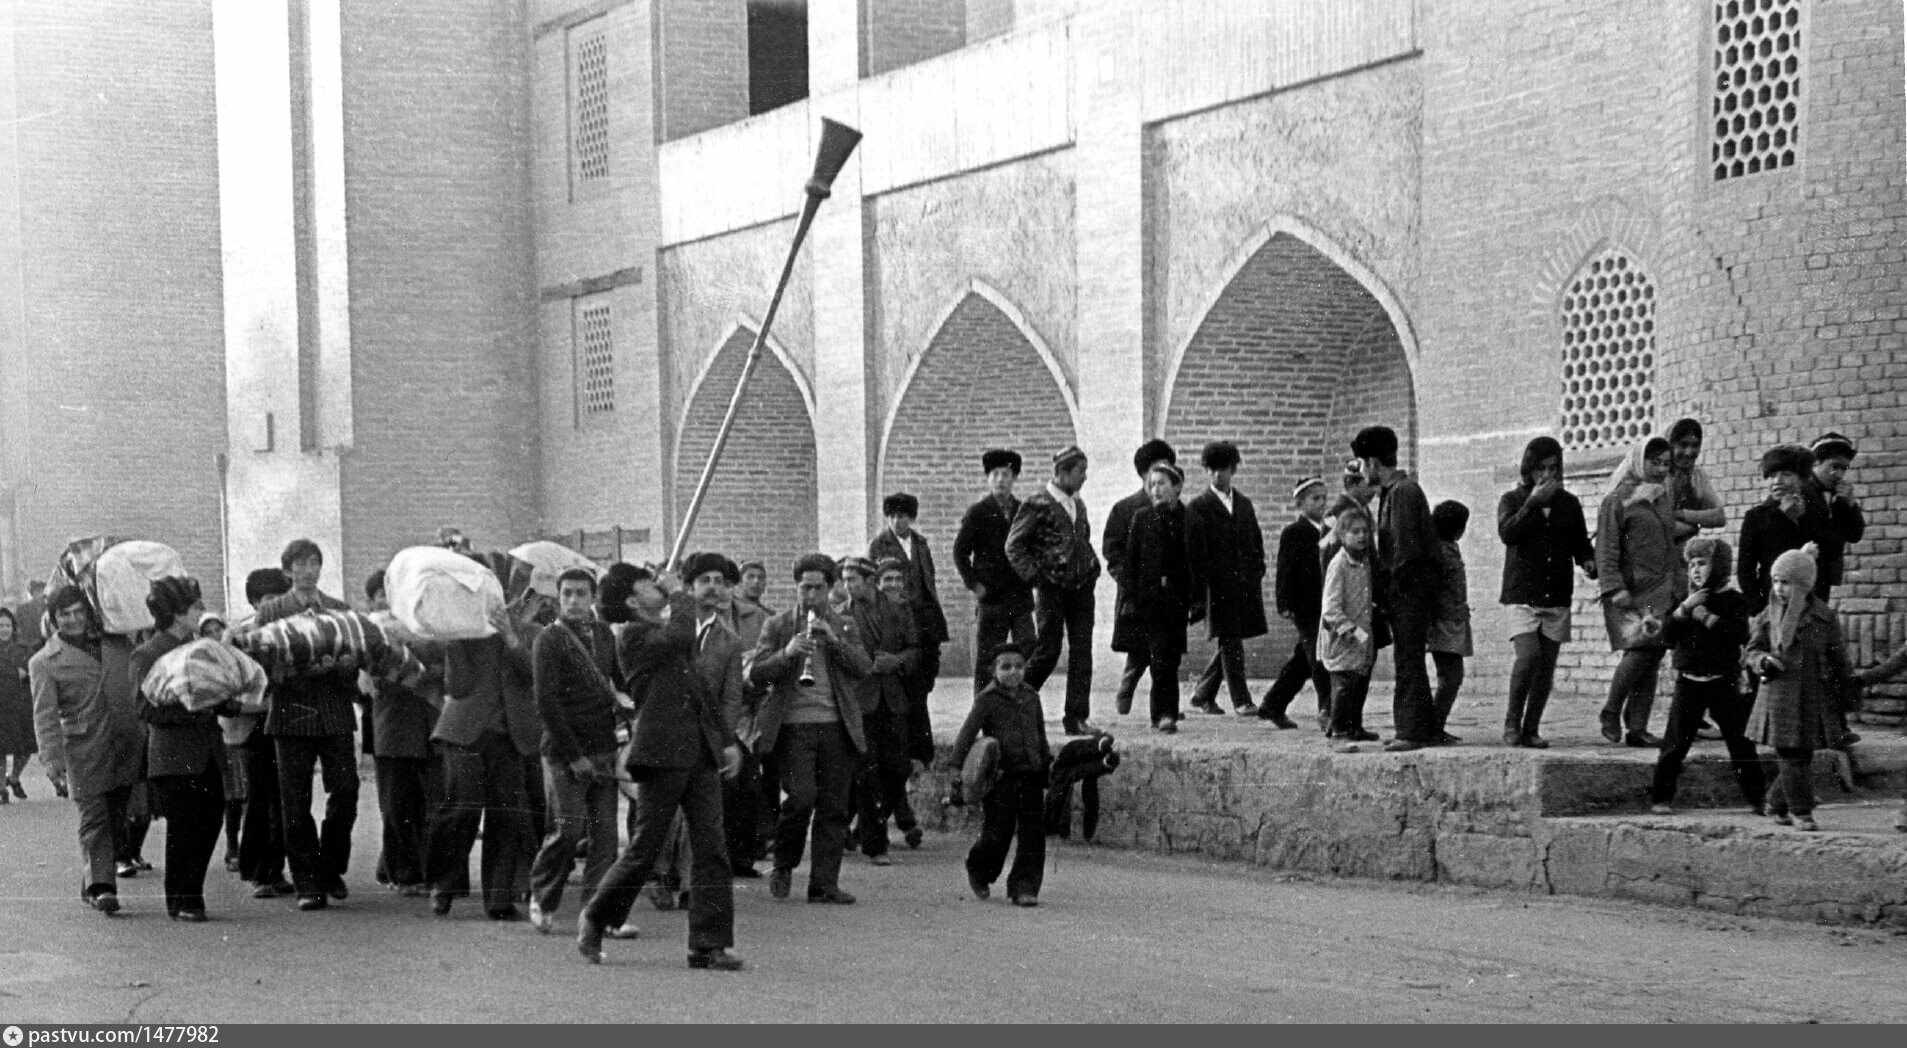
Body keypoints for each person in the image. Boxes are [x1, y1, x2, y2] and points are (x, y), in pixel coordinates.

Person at [578, 570, 744, 971]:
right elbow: (682, 632)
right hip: (661, 754)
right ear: (632, 602)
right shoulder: (633, 635)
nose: (658, 586)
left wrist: (726, 741)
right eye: (647, 584)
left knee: (712, 849)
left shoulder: (667, 633)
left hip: (699, 753)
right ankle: (596, 916)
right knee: (645, 848)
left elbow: (701, 693)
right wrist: (677, 592)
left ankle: (708, 944)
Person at [745, 553, 872, 904]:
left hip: (836, 725)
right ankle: (784, 864)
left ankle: (824, 884)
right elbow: (756, 673)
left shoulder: (845, 624)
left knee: (834, 806)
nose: (811, 595)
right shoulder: (778, 624)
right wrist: (787, 653)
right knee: (801, 798)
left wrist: (834, 641)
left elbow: (864, 667)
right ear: (796, 588)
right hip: (793, 727)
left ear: (830, 589)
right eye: (805, 588)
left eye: (818, 588)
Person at [255, 539, 360, 911]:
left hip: (334, 712)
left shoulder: (339, 609)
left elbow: (355, 656)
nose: (308, 570)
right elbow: (262, 665)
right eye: (300, 564)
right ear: (287, 571)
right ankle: (307, 882)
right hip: (291, 714)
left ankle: (330, 866)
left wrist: (345, 667)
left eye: (314, 562)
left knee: (346, 791)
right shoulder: (271, 611)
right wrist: (301, 670)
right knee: (295, 802)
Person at [426, 590, 543, 920]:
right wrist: (456, 641)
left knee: (506, 815)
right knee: (463, 808)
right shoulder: (466, 631)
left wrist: (511, 638)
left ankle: (498, 899)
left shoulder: (534, 633)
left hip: (511, 736)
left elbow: (534, 675)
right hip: (464, 732)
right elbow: (457, 687)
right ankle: (442, 883)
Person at [30, 585, 145, 914]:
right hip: (83, 749)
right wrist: (52, 760)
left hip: (124, 743)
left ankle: (92, 880)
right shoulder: (44, 662)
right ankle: (102, 887)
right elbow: (44, 715)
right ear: (54, 619)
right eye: (64, 614)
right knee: (94, 817)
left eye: (79, 611)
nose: (73, 619)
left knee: (116, 814)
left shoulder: (115, 645)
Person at [526, 567, 622, 933]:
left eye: (581, 593)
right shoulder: (549, 639)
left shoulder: (604, 635)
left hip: (604, 746)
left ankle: (594, 914)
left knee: (605, 838)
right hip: (564, 751)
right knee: (567, 830)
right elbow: (546, 702)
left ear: (593, 597)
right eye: (566, 593)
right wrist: (574, 755)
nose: (573, 601)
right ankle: (542, 895)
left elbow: (619, 681)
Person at [131, 576, 228, 922]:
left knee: (212, 818)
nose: (201, 611)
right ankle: (183, 898)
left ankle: (191, 890)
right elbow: (144, 707)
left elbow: (219, 689)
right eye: (195, 606)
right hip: (172, 754)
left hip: (209, 751)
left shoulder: (203, 647)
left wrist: (228, 700)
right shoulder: (147, 654)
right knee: (184, 825)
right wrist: (195, 711)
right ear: (177, 612)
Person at [1649, 539, 1764, 814]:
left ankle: (1759, 798)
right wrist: (1683, 611)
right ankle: (1661, 798)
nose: (1696, 570)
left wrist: (1706, 617)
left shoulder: (1734, 600)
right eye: (1691, 565)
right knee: (1675, 743)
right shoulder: (1684, 599)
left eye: (1702, 563)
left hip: (1723, 681)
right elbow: (1666, 638)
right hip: (1689, 682)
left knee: (1740, 743)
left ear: (1719, 566)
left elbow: (1739, 635)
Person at [1496, 436, 1596, 749]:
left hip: (1556, 594)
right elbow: (1507, 533)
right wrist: (1532, 503)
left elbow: (1580, 543)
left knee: (1546, 667)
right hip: (1522, 594)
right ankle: (1511, 722)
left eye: (1553, 468)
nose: (1548, 475)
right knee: (1528, 657)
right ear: (1529, 469)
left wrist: (1588, 561)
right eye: (1541, 468)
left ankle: (1531, 728)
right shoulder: (1512, 499)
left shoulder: (1569, 503)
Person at [1745, 550, 1854, 832]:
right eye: (1775, 581)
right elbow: (1752, 651)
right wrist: (1763, 661)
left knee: (1802, 753)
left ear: (1804, 585)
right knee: (1790, 753)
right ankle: (1801, 811)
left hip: (1812, 695)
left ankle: (1776, 803)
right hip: (1778, 695)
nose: (1779, 589)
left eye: (1786, 582)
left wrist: (1847, 693)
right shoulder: (1768, 616)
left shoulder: (1824, 618)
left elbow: (1838, 658)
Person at [1354, 425, 1440, 753]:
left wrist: (1389, 592)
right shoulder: (1397, 491)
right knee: (1409, 658)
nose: (1363, 472)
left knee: (1408, 660)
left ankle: (1411, 731)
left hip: (1409, 590)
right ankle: (1422, 727)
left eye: (1363, 464)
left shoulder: (1402, 493)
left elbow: (1403, 551)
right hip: (1408, 589)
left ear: (1374, 463)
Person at [1007, 444, 1104, 736]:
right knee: (1048, 650)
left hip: (1082, 589)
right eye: (1080, 471)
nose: (1085, 477)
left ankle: (1076, 718)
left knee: (1082, 652)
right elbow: (1014, 546)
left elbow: (1082, 538)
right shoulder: (1037, 502)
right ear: (1063, 472)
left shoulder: (1078, 503)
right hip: (1052, 590)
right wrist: (1036, 578)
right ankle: (1012, 704)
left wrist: (1091, 567)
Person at [948, 642, 1051, 907]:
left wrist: (1046, 764)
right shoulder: (987, 700)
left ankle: (1024, 886)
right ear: (994, 671)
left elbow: (1040, 734)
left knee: (1033, 835)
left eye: (1019, 666)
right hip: (1001, 779)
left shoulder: (1031, 696)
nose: (1013, 672)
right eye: (1006, 667)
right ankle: (979, 870)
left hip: (1031, 775)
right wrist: (955, 769)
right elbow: (966, 735)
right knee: (997, 833)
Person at [1594, 438, 1677, 748]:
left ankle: (1638, 727)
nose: (1661, 469)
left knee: (1653, 656)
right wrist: (1614, 587)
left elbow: (1668, 540)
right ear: (1639, 461)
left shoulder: (1661, 498)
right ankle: (1611, 710)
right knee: (1640, 651)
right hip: (1630, 589)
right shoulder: (1616, 500)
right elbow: (1606, 547)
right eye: (1655, 462)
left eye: (1666, 463)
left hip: (1660, 589)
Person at [363, 570, 441, 897]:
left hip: (429, 722)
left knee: (426, 802)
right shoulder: (373, 630)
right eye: (381, 594)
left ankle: (404, 866)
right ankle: (403, 872)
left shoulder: (426, 623)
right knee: (397, 803)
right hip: (393, 724)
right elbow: (371, 681)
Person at [1120, 463, 1206, 733]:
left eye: (1162, 484)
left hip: (1177, 600)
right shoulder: (1142, 518)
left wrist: (1198, 601)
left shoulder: (1191, 520)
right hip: (1150, 600)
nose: (1155, 490)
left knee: (1172, 658)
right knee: (1160, 658)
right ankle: (1163, 714)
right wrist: (1129, 598)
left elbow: (1199, 565)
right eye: (1152, 484)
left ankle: (1167, 711)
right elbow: (1131, 562)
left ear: (1177, 487)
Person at [847, 556, 921, 864]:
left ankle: (847, 826)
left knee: (899, 768)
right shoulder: (842, 614)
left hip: (892, 699)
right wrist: (864, 665)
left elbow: (915, 649)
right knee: (868, 773)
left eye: (852, 580)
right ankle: (876, 845)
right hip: (860, 701)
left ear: (869, 581)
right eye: (845, 580)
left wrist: (897, 661)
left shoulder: (898, 609)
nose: (847, 586)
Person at [1187, 441, 1267, 717]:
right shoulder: (1198, 506)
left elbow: (1255, 541)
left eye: (1222, 469)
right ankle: (1241, 700)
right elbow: (1194, 553)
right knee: (1231, 639)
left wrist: (1257, 570)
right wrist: (1200, 590)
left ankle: (1202, 694)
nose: (1216, 475)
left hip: (1243, 584)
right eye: (1211, 469)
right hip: (1216, 587)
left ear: (1233, 470)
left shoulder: (1244, 504)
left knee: (1229, 639)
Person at [869, 493, 947, 763]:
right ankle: (917, 751)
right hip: (898, 620)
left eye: (901, 516)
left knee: (924, 682)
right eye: (891, 516)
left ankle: (920, 750)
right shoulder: (879, 545)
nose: (896, 521)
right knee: (908, 688)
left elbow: (929, 581)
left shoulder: (920, 543)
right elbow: (878, 585)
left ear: (911, 518)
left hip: (925, 622)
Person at [231, 568, 294, 898]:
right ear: (254, 601)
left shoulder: (292, 632)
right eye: (268, 599)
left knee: (284, 799)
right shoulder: (240, 636)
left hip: (286, 723)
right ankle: (258, 872)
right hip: (253, 727)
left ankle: (276, 869)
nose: (273, 605)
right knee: (259, 797)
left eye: (279, 598)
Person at [1100, 439, 1175, 717]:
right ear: (1143, 474)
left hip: (1166, 592)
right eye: (1155, 469)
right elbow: (1112, 551)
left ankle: (1163, 705)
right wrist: (1130, 581)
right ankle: (1128, 686)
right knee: (1142, 646)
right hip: (1137, 592)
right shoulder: (1125, 509)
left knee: (1165, 650)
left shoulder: (1175, 510)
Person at [954, 449, 1036, 691]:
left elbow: (1033, 548)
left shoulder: (1024, 510)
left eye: (1006, 474)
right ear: (988, 478)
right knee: (987, 657)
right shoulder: (978, 512)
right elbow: (960, 552)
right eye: (995, 474)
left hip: (1020, 596)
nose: (1000, 480)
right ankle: (983, 706)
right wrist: (975, 585)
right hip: (992, 598)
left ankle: (1021, 700)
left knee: (1029, 645)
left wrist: (1031, 577)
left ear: (1014, 478)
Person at [1259, 477, 1333, 731]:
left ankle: (1273, 704)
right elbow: (1285, 570)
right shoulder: (1294, 532)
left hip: (1326, 605)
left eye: (1324, 498)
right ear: (1300, 503)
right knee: (1320, 659)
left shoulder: (1328, 531)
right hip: (1305, 607)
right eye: (1315, 498)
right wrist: (1284, 603)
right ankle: (1328, 710)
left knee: (1303, 660)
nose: (1322, 503)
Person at [1319, 504, 1379, 752]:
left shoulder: (1364, 562)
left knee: (1359, 683)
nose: (1362, 536)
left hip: (1362, 635)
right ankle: (1339, 732)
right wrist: (1351, 630)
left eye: (1365, 531)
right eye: (1355, 532)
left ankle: (1355, 726)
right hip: (1343, 638)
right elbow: (1330, 608)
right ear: (1342, 535)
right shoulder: (1339, 565)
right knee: (1343, 685)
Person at [1738, 444, 1818, 616]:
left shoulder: (1813, 514)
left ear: (1801, 480)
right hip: (1771, 605)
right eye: (1772, 475)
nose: (1777, 481)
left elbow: (1825, 558)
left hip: (1808, 606)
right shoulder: (1756, 517)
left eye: (1786, 474)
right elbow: (1745, 571)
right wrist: (1760, 609)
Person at [195, 613, 243, 870]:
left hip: (248, 726)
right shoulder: (203, 660)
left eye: (218, 629)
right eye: (208, 631)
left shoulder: (239, 653)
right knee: (233, 794)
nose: (214, 635)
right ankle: (232, 846)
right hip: (226, 733)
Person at [1427, 501, 1473, 745]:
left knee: (1451, 675)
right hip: (1444, 622)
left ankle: (1435, 725)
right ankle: (1434, 726)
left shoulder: (1448, 548)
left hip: (1453, 620)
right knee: (1451, 676)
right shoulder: (1440, 552)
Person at [1803, 432, 1864, 603]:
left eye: (1844, 469)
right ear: (1816, 462)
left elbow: (1854, 535)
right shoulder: (1800, 491)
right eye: (1834, 466)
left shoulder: (1837, 495)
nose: (1839, 475)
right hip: (1799, 576)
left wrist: (1850, 505)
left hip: (1823, 578)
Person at [0, 608, 36, 802]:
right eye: (0, 625)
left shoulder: (23, 648)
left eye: (7, 625)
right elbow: (18, 673)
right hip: (1, 706)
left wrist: (12, 674)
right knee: (0, 750)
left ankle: (14, 778)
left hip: (21, 705)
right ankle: (1, 789)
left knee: (26, 747)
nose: (4, 629)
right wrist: (14, 673)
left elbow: (30, 671)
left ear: (13, 627)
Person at [13, 580, 48, 653]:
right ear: (32, 593)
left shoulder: (48, 608)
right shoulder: (21, 609)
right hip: (28, 648)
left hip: (46, 646)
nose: (40, 594)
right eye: (37, 591)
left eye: (42, 591)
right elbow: (16, 629)